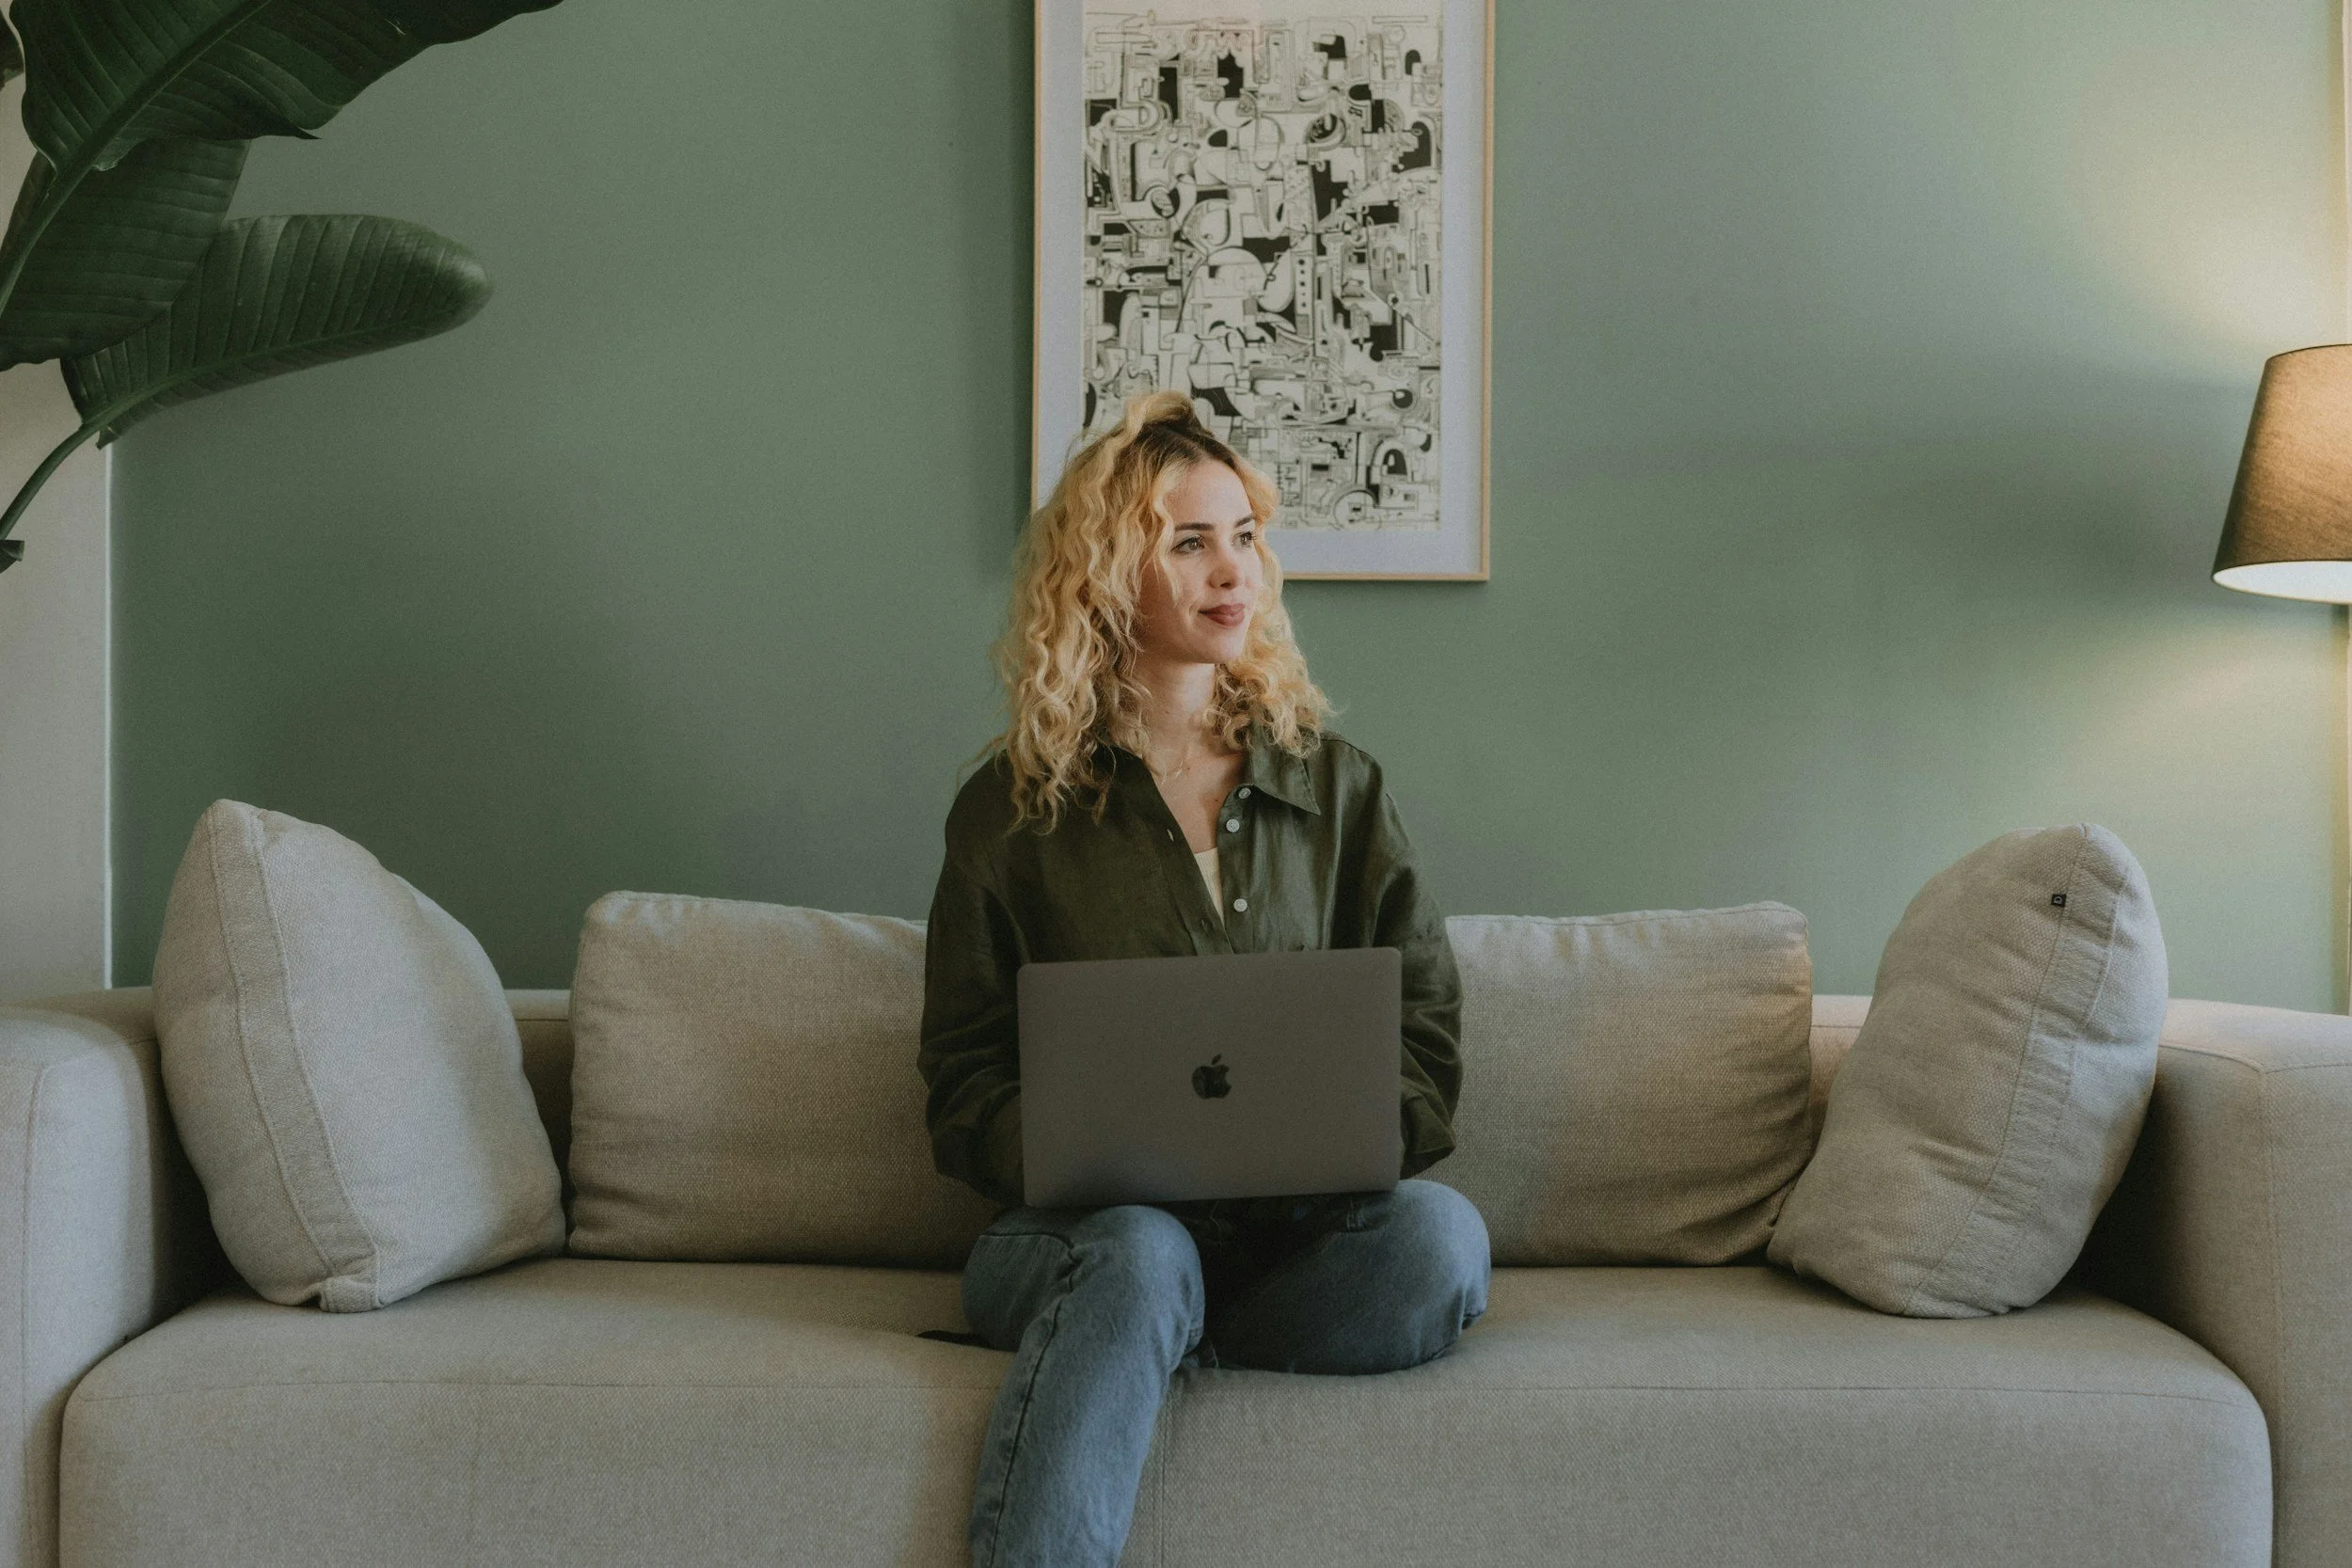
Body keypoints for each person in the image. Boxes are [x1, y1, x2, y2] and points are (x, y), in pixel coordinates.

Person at [917, 390, 1490, 1568]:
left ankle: (1141, 1340)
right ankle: (1134, 1313)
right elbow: (962, 1076)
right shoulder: (1007, 813)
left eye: (1243, 536)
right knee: (1140, 1253)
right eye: (1189, 542)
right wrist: (1079, 1146)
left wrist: (1346, 1134)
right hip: (1085, 1241)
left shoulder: (1339, 788)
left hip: (1294, 1246)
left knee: (1438, 1238)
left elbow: (1424, 1027)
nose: (1234, 570)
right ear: (1102, 571)